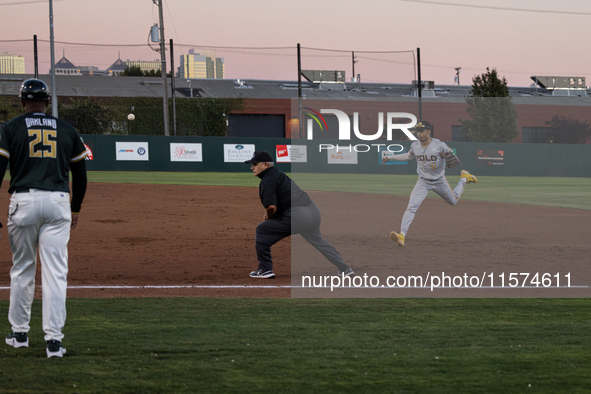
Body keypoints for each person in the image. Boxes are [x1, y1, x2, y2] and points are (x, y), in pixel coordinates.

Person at [0, 79, 88, 358]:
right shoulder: (67, 130)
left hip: (23, 202)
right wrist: (75, 209)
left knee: (22, 268)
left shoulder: (10, 128)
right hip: (57, 203)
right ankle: (54, 342)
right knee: (55, 274)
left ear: (22, 102)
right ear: (48, 102)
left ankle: (20, 334)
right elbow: (81, 177)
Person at [245, 150, 353, 279]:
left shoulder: (267, 180)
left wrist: (268, 217)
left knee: (262, 230)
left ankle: (265, 269)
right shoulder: (279, 174)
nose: (252, 167)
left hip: (298, 216)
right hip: (313, 212)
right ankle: (345, 268)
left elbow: (271, 207)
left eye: (255, 164)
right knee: (318, 240)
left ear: (266, 165)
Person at [383, 121, 477, 247]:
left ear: (428, 131)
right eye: (418, 131)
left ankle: (464, 178)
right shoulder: (415, 145)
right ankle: (402, 235)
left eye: (422, 131)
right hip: (422, 182)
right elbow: (408, 156)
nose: (419, 133)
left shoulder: (439, 145)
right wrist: (391, 157)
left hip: (439, 181)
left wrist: (450, 156)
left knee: (453, 201)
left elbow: (452, 157)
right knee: (411, 207)